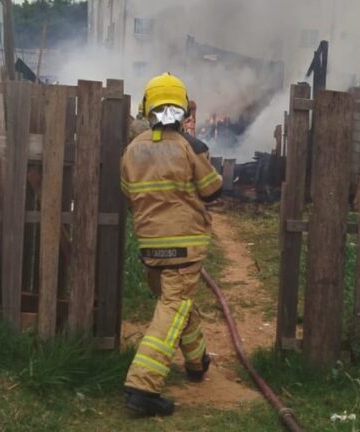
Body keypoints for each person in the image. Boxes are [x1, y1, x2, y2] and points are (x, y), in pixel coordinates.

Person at [120, 73, 223, 416]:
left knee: (176, 303)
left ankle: (197, 362)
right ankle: (142, 387)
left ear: (147, 108)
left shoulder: (132, 150)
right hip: (185, 248)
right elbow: (212, 190)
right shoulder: (188, 147)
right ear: (181, 110)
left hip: (150, 247)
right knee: (172, 309)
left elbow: (128, 194)